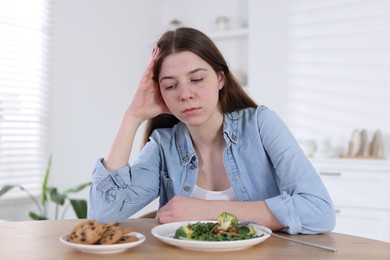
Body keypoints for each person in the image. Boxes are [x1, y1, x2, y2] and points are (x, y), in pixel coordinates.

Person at [88, 27, 336, 234]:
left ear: (220, 79)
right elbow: (101, 214)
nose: (185, 94)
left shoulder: (261, 124)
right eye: (171, 85)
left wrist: (207, 211)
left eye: (196, 79)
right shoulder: (164, 145)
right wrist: (132, 116)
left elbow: (319, 211)